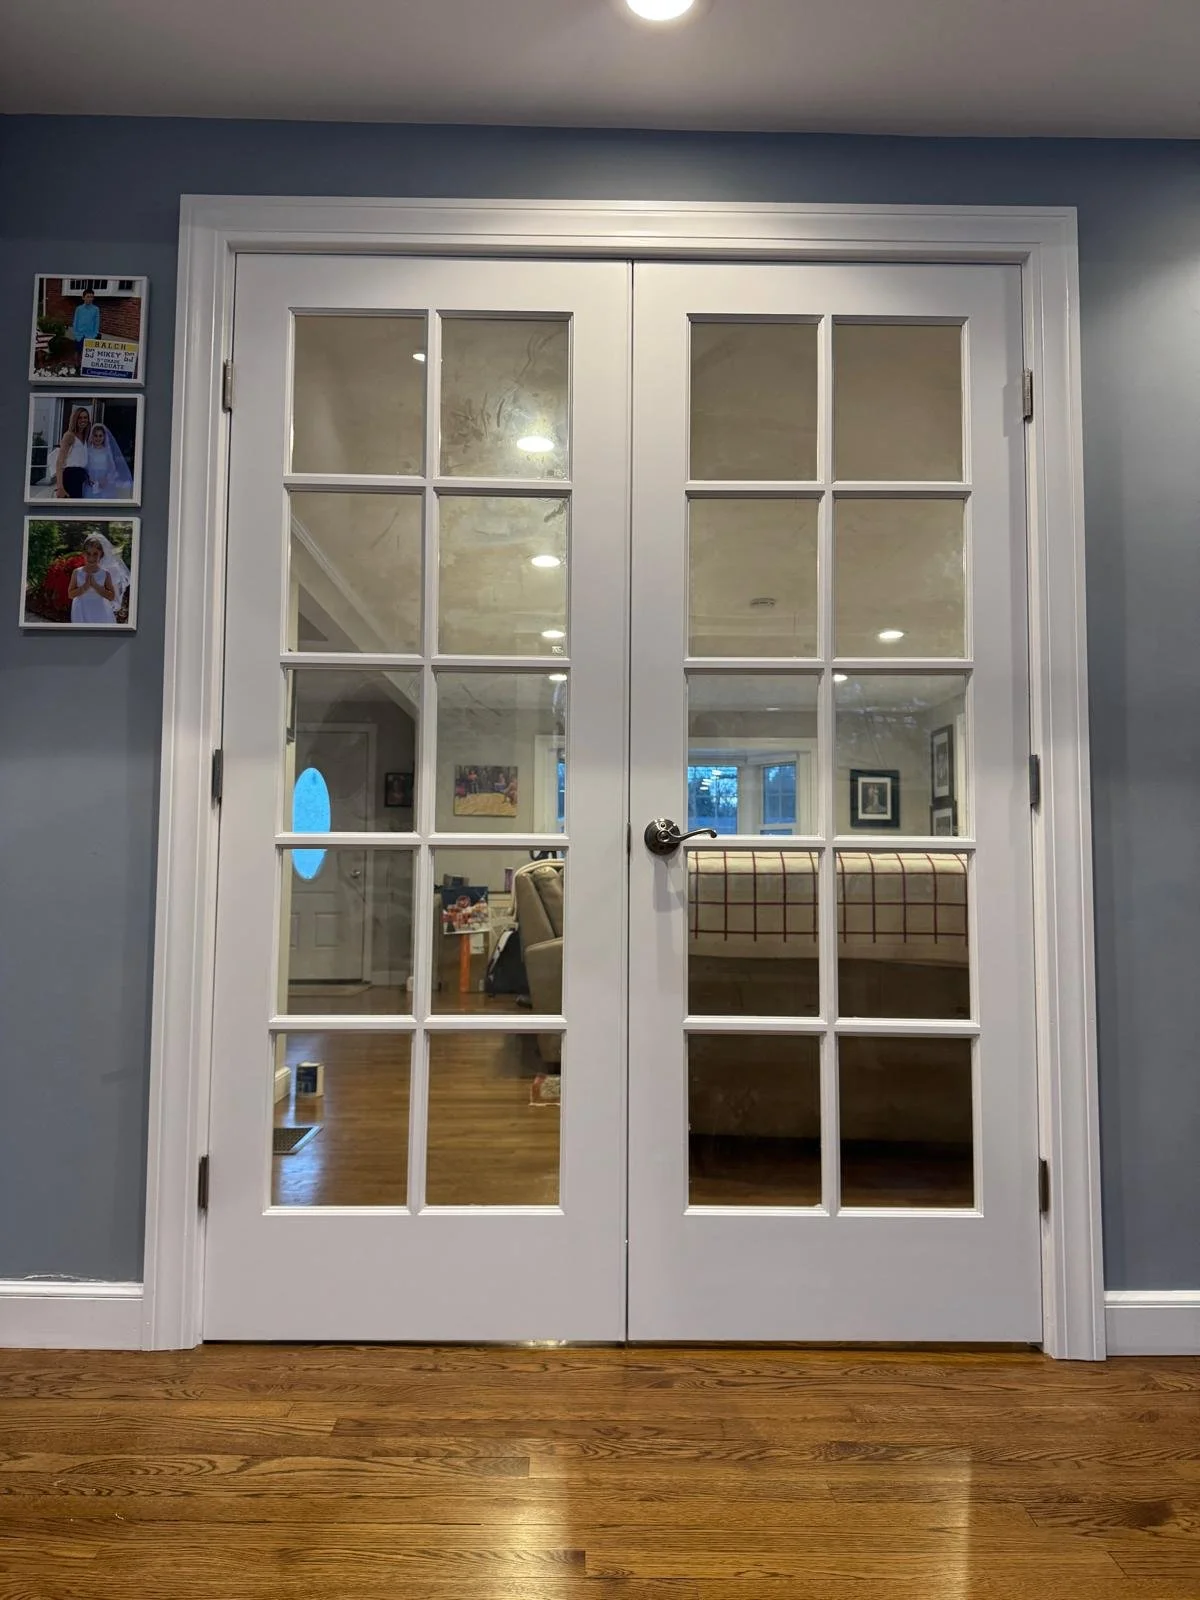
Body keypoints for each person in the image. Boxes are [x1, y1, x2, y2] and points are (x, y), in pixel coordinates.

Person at [68, 530, 130, 625]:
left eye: (95, 554)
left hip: (100, 610)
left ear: (101, 554)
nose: (91, 558)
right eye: (88, 554)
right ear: (84, 554)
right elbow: (71, 594)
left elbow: (111, 596)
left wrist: (96, 586)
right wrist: (85, 586)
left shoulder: (105, 574)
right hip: (81, 609)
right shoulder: (77, 572)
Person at [83, 422, 133, 499]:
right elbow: (85, 466)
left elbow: (112, 468)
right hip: (91, 483)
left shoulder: (107, 452)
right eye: (95, 436)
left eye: (100, 436)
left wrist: (106, 479)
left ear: (104, 437)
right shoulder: (88, 451)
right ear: (92, 436)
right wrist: (89, 478)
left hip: (105, 483)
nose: (98, 438)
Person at [54, 406, 92, 499]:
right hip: (71, 477)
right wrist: (60, 487)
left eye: (85, 417)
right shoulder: (69, 436)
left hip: (80, 477)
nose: (83, 420)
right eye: (80, 417)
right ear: (75, 419)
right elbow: (59, 461)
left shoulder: (85, 437)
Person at [71, 288, 101, 373]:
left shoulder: (96, 309)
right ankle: (77, 366)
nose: (90, 299)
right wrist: (76, 334)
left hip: (91, 335)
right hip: (79, 334)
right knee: (77, 351)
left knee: (88, 353)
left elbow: (97, 323)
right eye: (88, 297)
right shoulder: (79, 309)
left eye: (91, 297)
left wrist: (95, 334)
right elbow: (75, 322)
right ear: (83, 297)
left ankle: (86, 368)